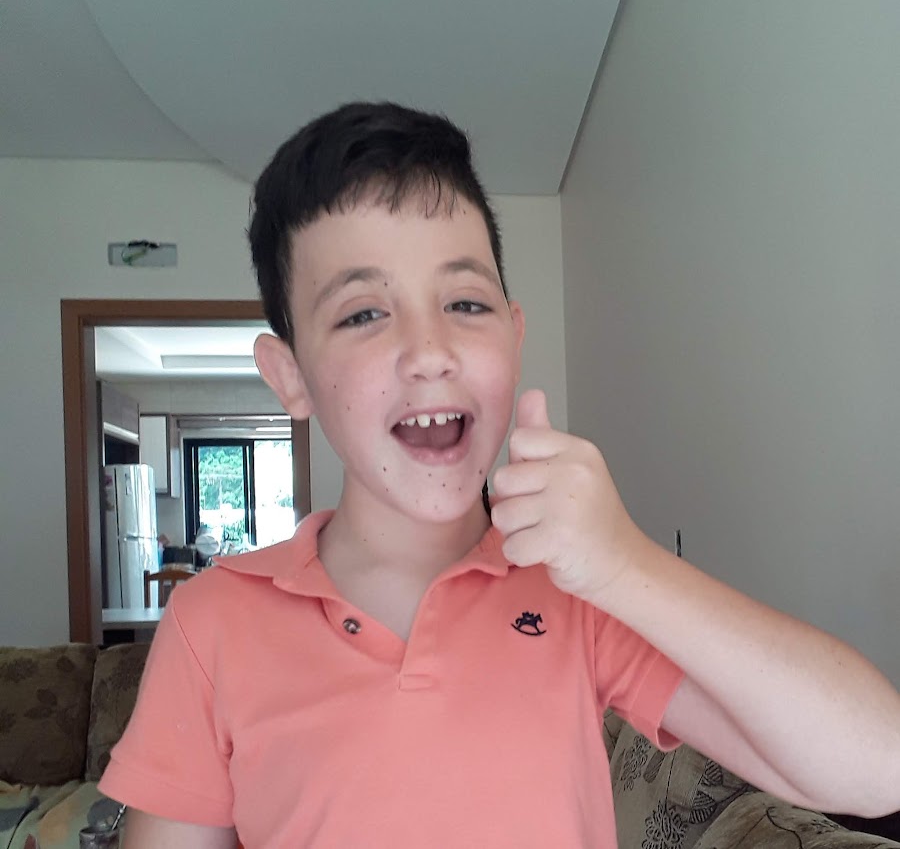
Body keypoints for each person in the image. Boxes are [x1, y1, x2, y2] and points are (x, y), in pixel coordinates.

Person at [99, 102, 900, 847]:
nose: (430, 351)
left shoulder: (580, 593)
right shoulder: (211, 625)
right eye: (363, 313)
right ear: (290, 377)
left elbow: (878, 767)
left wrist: (624, 562)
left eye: (466, 304)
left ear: (514, 339)